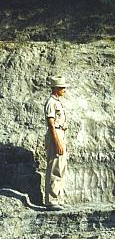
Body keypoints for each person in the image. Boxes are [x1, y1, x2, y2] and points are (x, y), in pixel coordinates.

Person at [44, 75, 69, 211]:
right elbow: (51, 124)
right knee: (55, 166)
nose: (64, 90)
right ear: (56, 88)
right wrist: (57, 142)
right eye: (62, 88)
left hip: (60, 133)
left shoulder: (57, 102)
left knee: (60, 166)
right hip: (55, 134)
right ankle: (52, 200)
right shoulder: (51, 102)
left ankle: (58, 198)